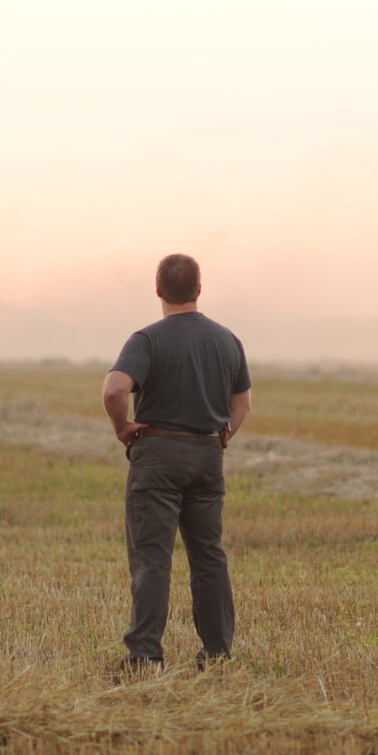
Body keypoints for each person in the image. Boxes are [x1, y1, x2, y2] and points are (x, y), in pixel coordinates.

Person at [102, 253, 251, 670]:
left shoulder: (147, 340)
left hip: (158, 456)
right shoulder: (227, 340)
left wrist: (121, 427)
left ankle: (146, 655)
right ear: (199, 289)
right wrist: (224, 434)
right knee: (209, 557)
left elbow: (115, 390)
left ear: (158, 291)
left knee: (153, 559)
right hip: (208, 455)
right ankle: (218, 654)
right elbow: (243, 402)